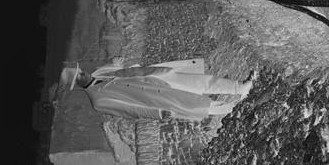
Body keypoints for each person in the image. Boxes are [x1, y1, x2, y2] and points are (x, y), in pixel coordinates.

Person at [60, 57, 257, 122]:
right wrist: (157, 114)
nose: (82, 73)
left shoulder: (99, 71)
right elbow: (129, 111)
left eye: (80, 71)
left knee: (201, 81)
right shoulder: (98, 102)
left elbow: (117, 69)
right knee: (199, 105)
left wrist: (115, 62)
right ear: (76, 84)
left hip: (158, 76)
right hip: (155, 98)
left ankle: (241, 87)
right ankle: (236, 108)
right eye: (78, 75)